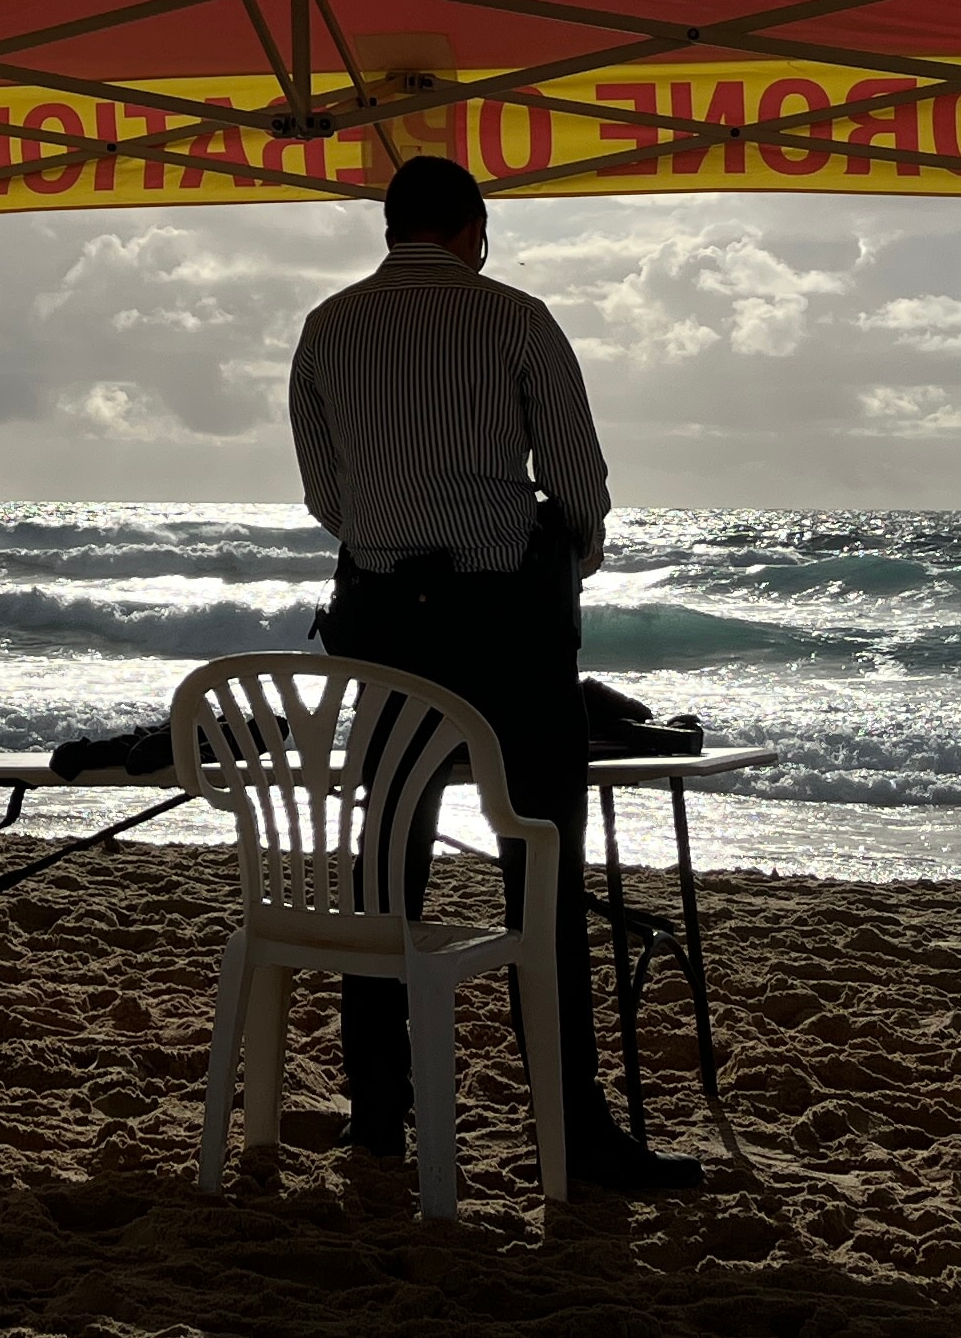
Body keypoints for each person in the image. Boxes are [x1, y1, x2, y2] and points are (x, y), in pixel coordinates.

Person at [286, 152, 701, 1193]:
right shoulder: (517, 317)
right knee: (542, 871)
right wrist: (566, 558)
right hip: (507, 625)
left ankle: (378, 1116)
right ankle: (572, 1128)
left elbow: (327, 497)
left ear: (390, 230)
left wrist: (395, 533)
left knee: (386, 867)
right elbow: (578, 483)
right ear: (474, 230)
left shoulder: (327, 327)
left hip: (387, 623)